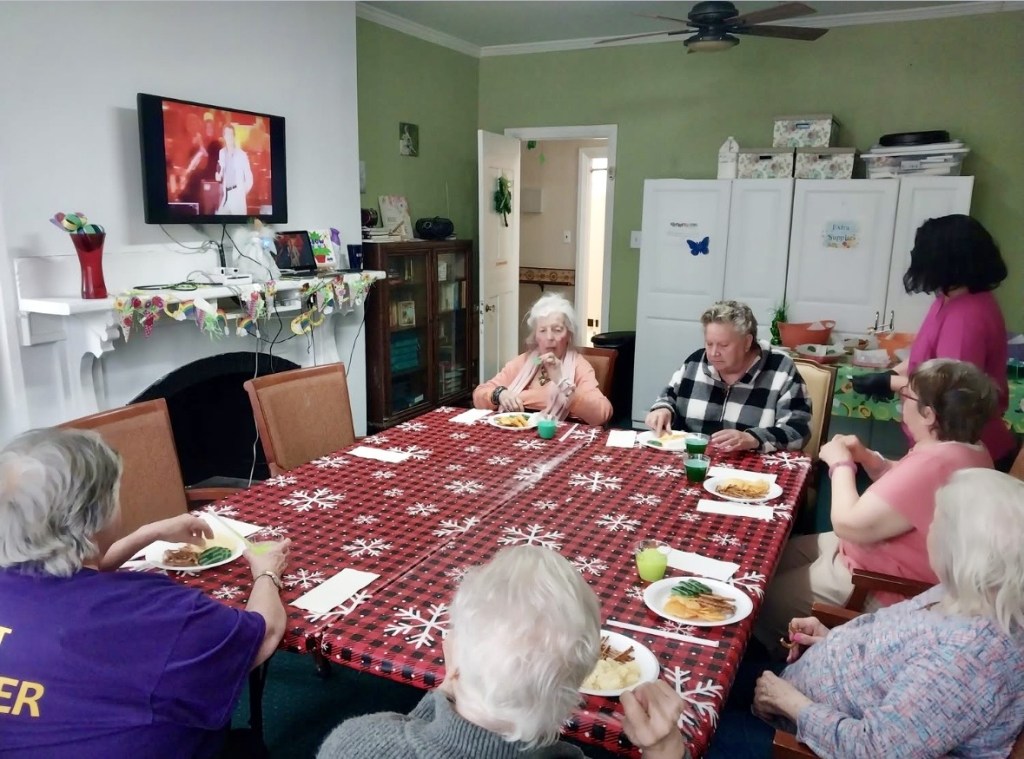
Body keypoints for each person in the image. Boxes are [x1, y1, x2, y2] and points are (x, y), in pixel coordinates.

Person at [0, 428, 289, 757]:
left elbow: (75, 563)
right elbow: (265, 634)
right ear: (95, 514)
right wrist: (267, 571)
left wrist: (151, 533)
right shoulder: (155, 611)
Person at [318, 545, 690, 759]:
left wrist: (453, 685)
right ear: (577, 689)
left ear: (457, 654)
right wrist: (666, 747)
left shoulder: (354, 742)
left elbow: (414, 732)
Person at [753, 468, 1024, 758]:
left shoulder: (971, 659)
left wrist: (786, 701)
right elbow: (905, 660)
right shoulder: (967, 591)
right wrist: (830, 639)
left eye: (937, 521)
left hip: (788, 740)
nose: (928, 528)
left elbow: (876, 750)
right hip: (794, 692)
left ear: (965, 548)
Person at [754, 358, 996, 651]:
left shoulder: (935, 464)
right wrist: (870, 458)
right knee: (765, 558)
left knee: (759, 600)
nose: (900, 400)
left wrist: (840, 464)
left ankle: (772, 665)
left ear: (929, 414)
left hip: (875, 580)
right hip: (865, 553)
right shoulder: (967, 449)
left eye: (907, 395)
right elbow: (907, 493)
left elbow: (848, 524)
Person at [853, 214, 1019, 471]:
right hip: (944, 445)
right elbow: (926, 356)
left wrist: (891, 383)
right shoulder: (947, 299)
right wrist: (893, 372)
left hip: (966, 455)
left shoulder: (967, 317)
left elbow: (952, 392)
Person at [645, 300, 811, 453]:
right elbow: (668, 398)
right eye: (709, 343)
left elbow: (798, 431)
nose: (713, 353)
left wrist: (754, 438)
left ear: (747, 342)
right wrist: (663, 409)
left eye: (723, 345)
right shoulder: (695, 362)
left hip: (752, 473)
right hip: (692, 461)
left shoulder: (780, 369)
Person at [473, 293, 613, 426]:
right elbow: (478, 396)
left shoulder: (579, 366)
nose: (549, 337)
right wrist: (500, 394)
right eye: (542, 330)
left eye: (557, 330)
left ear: (569, 335)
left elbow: (602, 414)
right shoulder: (527, 361)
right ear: (535, 337)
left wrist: (562, 383)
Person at [215, 125, 253, 215]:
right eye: (227, 134)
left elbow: (249, 178)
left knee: (240, 225)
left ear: (234, 136)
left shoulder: (242, 155)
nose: (229, 137)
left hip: (237, 195)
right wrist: (218, 177)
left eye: (231, 134)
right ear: (224, 136)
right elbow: (222, 172)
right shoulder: (222, 153)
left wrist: (241, 192)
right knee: (219, 219)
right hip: (226, 195)